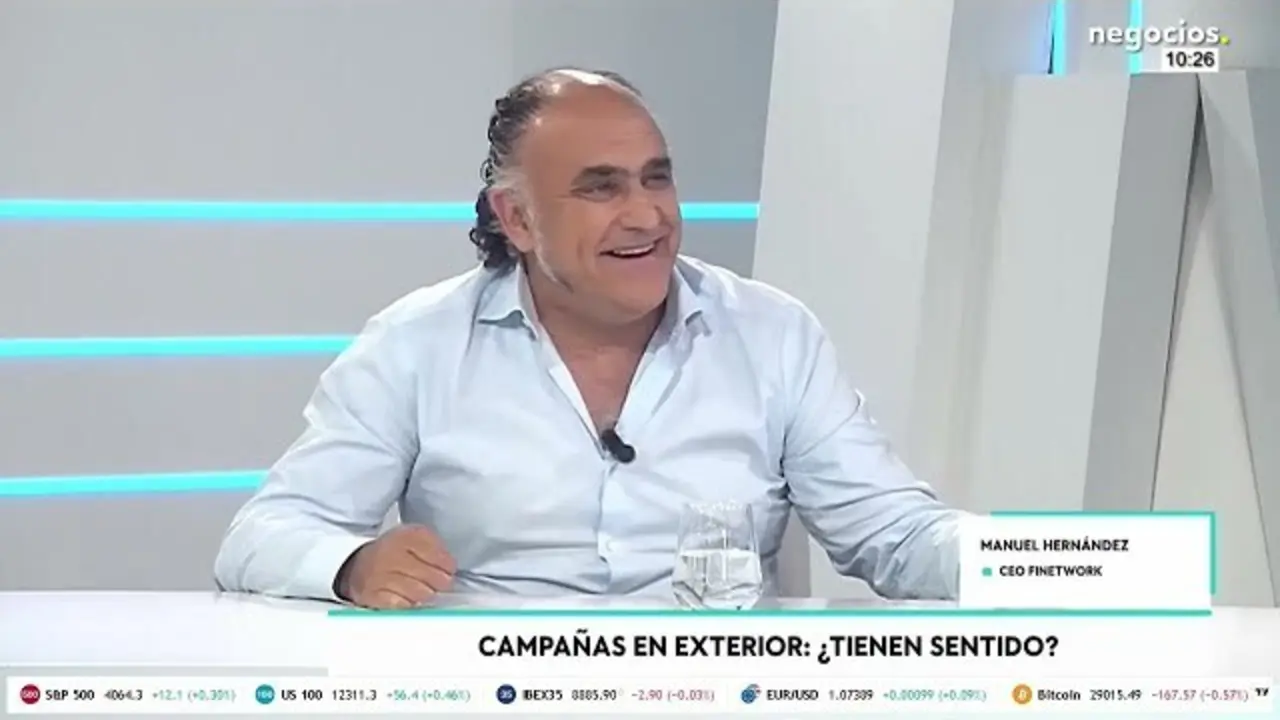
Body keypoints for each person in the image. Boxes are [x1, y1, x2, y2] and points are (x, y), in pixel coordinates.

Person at [214, 68, 967, 609]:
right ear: (517, 219)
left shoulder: (772, 334)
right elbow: (262, 535)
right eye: (601, 187)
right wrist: (352, 566)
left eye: (656, 179)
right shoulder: (416, 345)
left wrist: (1023, 562)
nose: (646, 215)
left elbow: (897, 535)